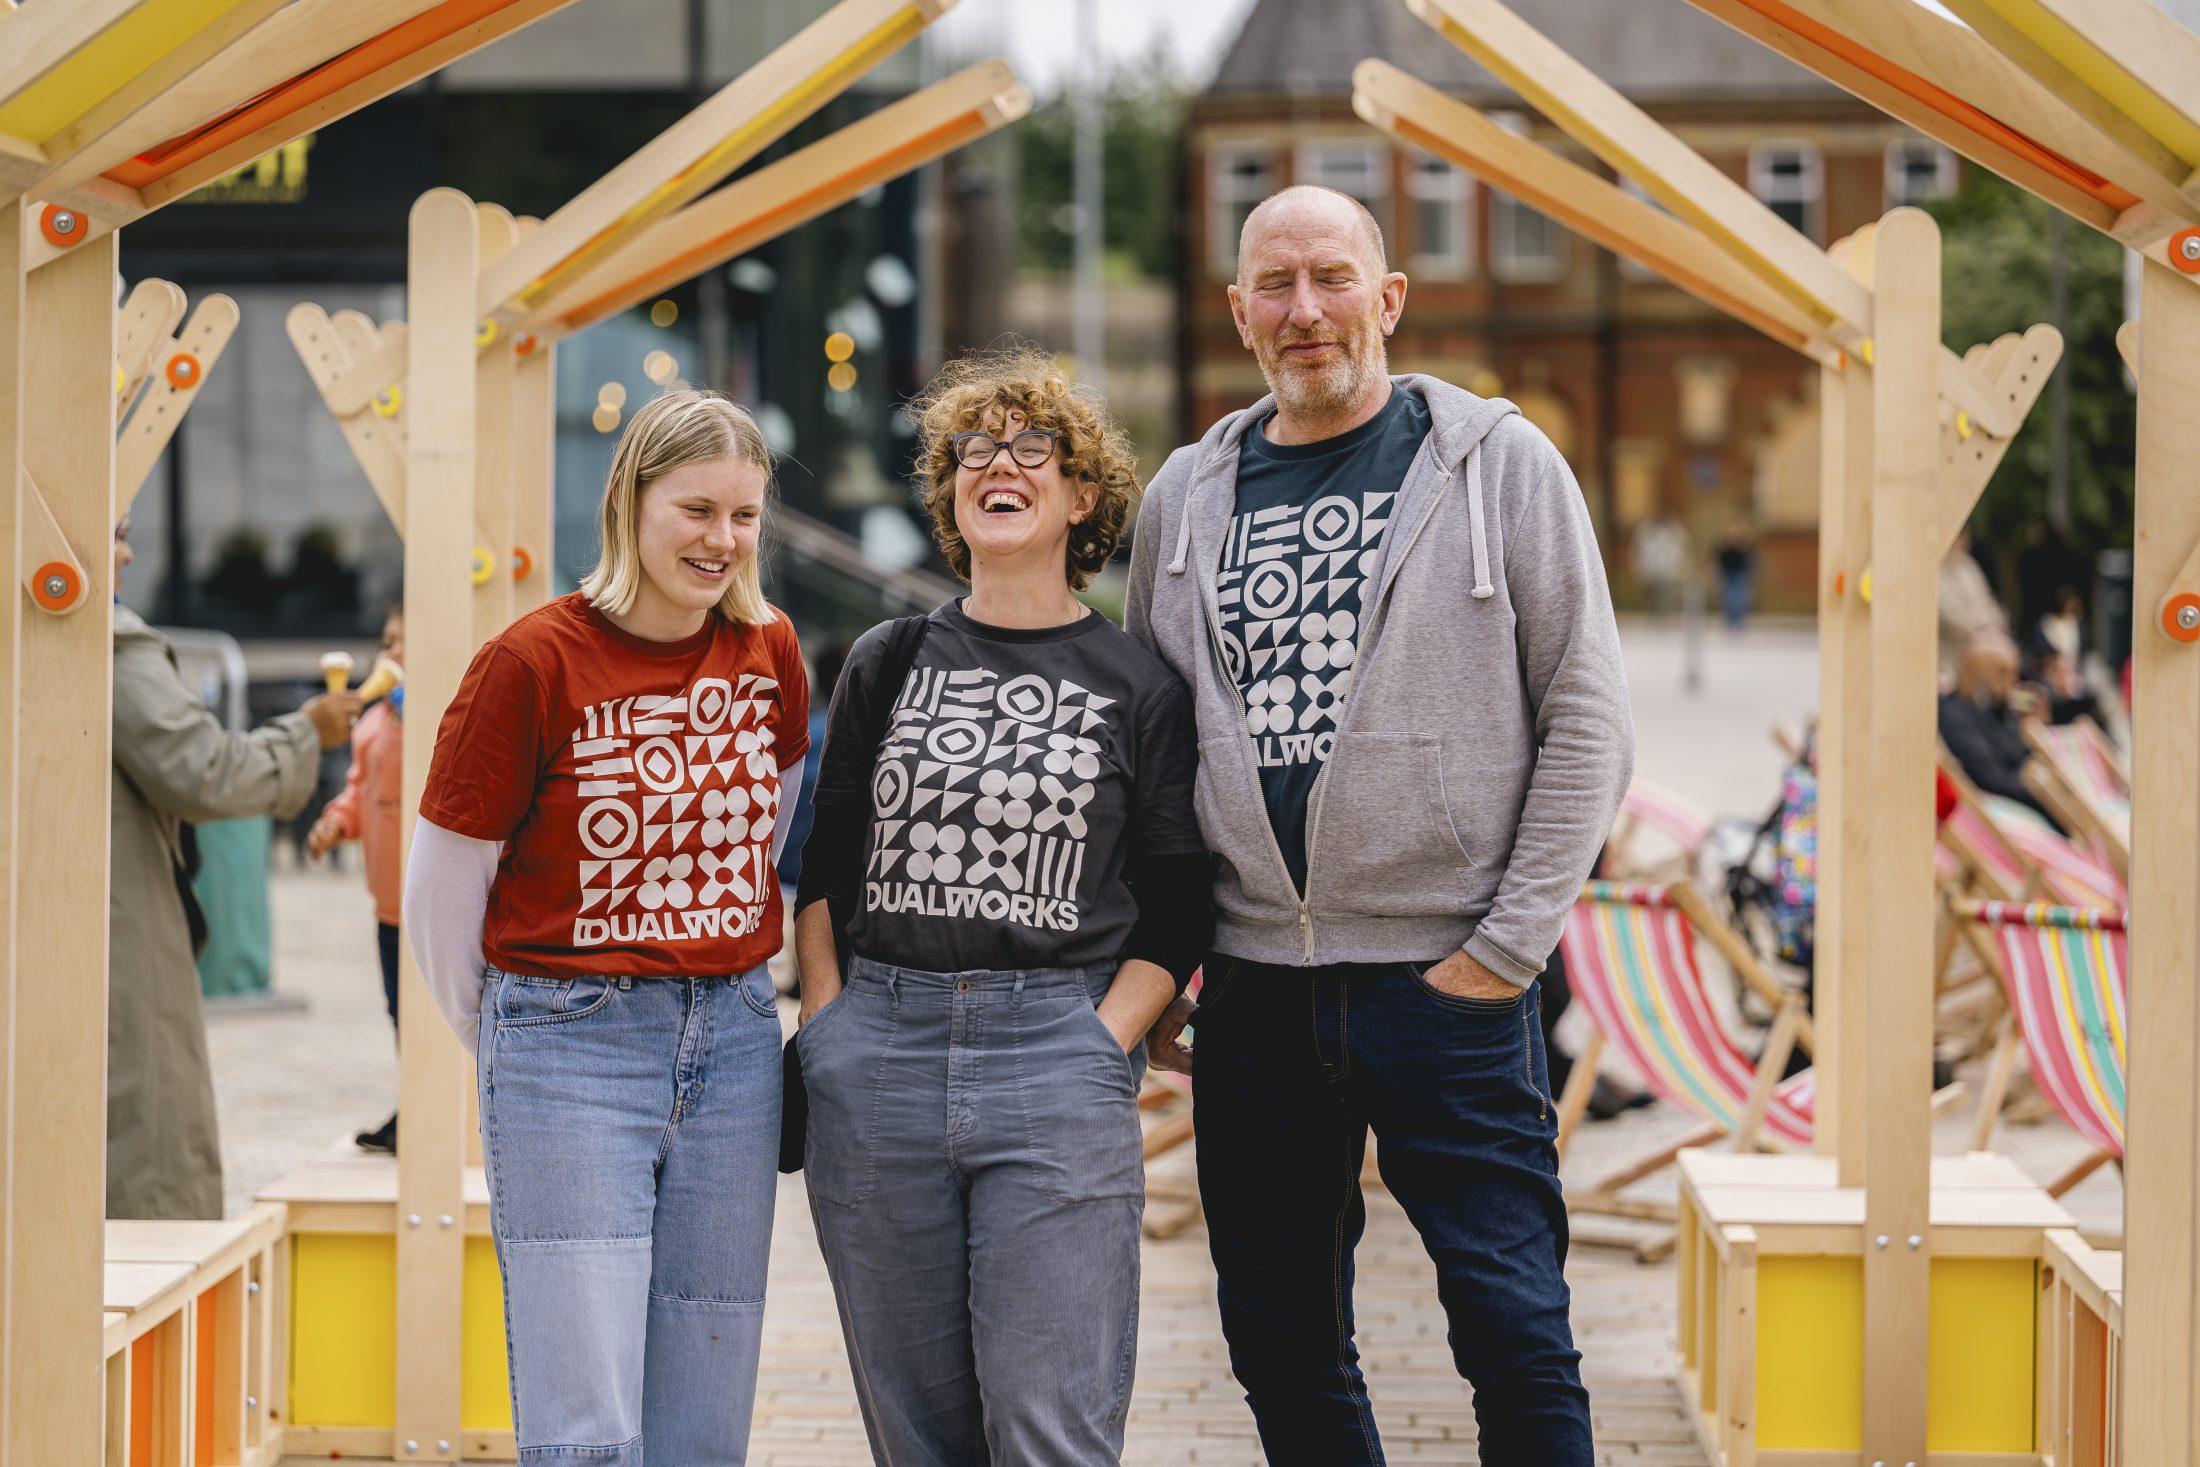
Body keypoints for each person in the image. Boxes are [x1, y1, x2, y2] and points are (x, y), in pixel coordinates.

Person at [1126, 184, 1632, 1464]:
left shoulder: (1499, 464)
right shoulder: (1183, 498)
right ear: (1239, 312)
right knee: (1281, 1344)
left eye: (1332, 277)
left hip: (1446, 981)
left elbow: (1588, 717)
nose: (1305, 310)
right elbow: (1153, 756)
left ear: (1388, 299)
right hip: (1253, 991)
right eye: (1276, 285)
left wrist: (1504, 952)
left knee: (1516, 1334)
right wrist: (1166, 962)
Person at [793, 351, 1209, 1464]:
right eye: (974, 449)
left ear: (1081, 498)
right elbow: (826, 860)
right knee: (917, 1432)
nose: (1000, 464)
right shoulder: (887, 660)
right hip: (880, 1054)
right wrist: (827, 1019)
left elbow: (1178, 900)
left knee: (1047, 1424)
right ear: (950, 494)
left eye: (1035, 448)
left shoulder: (1138, 685)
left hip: (1054, 1052)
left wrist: (1103, 1041)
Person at [405, 388, 809, 1465]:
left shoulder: (769, 648)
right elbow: (442, 891)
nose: (722, 539)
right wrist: (514, 1036)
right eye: (696, 509)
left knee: (704, 1407)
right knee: (586, 1421)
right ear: (631, 501)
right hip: (568, 1043)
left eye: (744, 515)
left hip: (733, 1041)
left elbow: (768, 833)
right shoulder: (529, 662)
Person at [109, 511, 360, 1219]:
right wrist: (306, 732)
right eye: (117, 532)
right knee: (150, 1161)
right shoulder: (109, 641)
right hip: (116, 938)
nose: (127, 554)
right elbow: (206, 771)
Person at [306, 606, 406, 1153]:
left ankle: (443, 1110)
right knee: (400, 1012)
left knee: (439, 1016)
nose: (393, 653)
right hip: (388, 907)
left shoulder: (449, 716)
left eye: (406, 642)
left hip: (434, 909)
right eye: (387, 643)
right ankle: (413, 1104)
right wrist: (337, 822)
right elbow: (359, 789)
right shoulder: (372, 725)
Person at [1939, 628, 2067, 834]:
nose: (2012, 682)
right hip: (2006, 818)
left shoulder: (1998, 711)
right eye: (2002, 673)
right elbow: (1990, 780)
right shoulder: (1955, 718)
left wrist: (2033, 726)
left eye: (2013, 672)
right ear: (1975, 673)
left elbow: (2019, 754)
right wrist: (2037, 784)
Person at [1938, 529, 2008, 687]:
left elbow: (1987, 602)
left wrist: (1993, 626)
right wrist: (1981, 629)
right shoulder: (1938, 569)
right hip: (1956, 649)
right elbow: (1949, 614)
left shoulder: (1968, 566)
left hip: (1982, 635)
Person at [1715, 520, 1756, 630]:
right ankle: (1730, 620)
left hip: (1739, 574)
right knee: (1728, 597)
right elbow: (1718, 560)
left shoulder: (1743, 546)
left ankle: (1738, 620)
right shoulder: (1724, 547)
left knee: (1738, 597)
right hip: (1727, 574)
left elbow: (1749, 560)